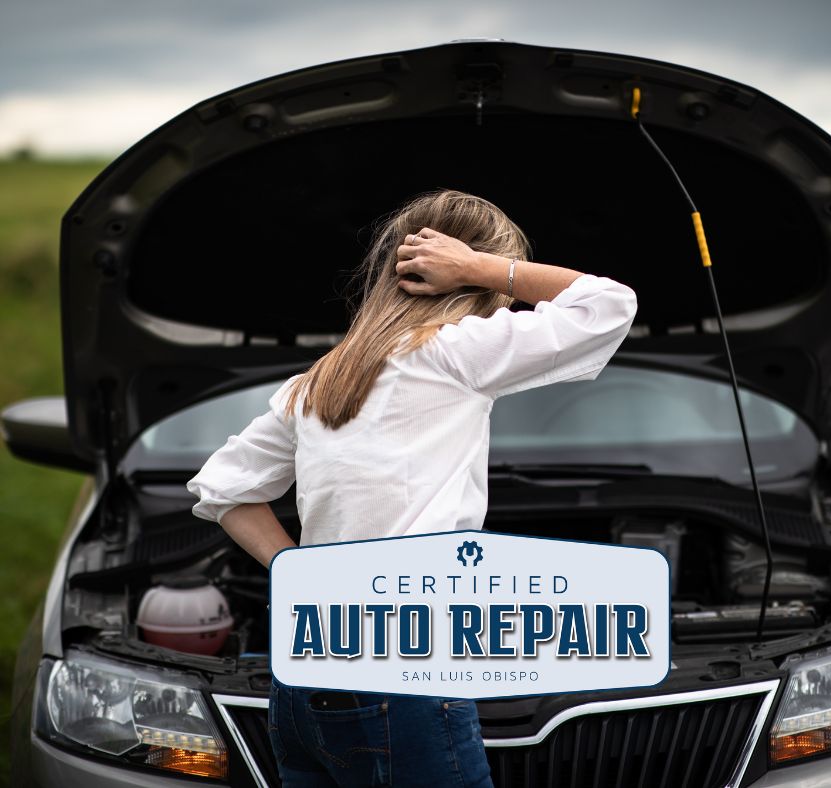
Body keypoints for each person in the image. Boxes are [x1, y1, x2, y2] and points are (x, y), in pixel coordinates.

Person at [186, 188, 638, 787]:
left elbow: (224, 488)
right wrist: (478, 266)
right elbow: (609, 303)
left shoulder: (318, 381)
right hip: (402, 668)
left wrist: (301, 573)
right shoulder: (454, 353)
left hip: (303, 672)